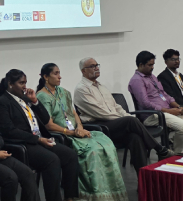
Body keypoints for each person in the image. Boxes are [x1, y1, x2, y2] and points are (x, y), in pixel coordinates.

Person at [36, 63, 128, 201]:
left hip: (77, 131)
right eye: (56, 73)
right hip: (62, 135)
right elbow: (48, 125)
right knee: (93, 151)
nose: (60, 76)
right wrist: (72, 133)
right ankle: (91, 193)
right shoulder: (42, 96)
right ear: (45, 77)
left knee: (107, 145)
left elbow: (74, 113)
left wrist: (79, 127)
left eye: (59, 73)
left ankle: (110, 191)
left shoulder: (64, 92)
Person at [73, 57, 175, 172]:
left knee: (135, 138)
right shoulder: (81, 89)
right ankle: (160, 149)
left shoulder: (101, 87)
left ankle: (142, 177)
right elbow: (100, 113)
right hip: (99, 126)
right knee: (130, 121)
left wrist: (127, 117)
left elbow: (116, 107)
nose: (96, 68)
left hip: (113, 124)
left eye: (97, 65)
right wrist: (126, 120)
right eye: (92, 66)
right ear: (83, 71)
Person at [0, 69, 79, 201]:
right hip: (23, 144)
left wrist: (35, 101)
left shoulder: (25, 99)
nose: (24, 86)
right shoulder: (1, 102)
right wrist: (38, 139)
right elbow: (9, 130)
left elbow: (45, 119)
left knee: (70, 155)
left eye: (25, 83)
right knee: (52, 160)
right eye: (21, 83)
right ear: (10, 84)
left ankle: (70, 197)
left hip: (39, 139)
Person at [128, 51, 183, 154]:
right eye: (150, 65)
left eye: (153, 64)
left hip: (167, 111)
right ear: (141, 65)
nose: (152, 67)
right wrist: (168, 111)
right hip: (153, 115)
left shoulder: (152, 77)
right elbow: (145, 103)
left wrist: (178, 106)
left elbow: (164, 94)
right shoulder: (137, 80)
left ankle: (171, 143)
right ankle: (176, 153)